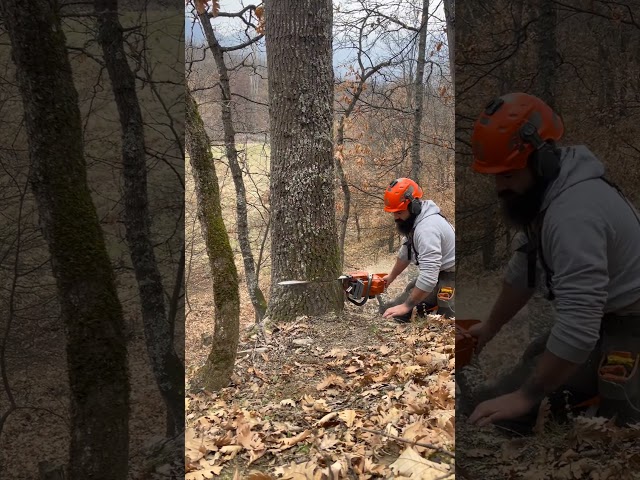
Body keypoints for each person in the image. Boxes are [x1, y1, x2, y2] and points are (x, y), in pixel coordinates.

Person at [464, 92, 640, 433]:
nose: (500, 188)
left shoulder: (574, 214)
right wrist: (490, 328)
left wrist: (526, 397)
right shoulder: (547, 196)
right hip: (605, 317)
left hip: (633, 319)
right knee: (525, 373)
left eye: (509, 175)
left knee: (620, 410)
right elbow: (523, 272)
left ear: (541, 160)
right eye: (496, 177)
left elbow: (579, 322)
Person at [379, 178, 456, 323]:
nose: (396, 218)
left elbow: (428, 277)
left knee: (443, 316)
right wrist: (391, 277)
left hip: (451, 276)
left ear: (413, 206)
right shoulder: (415, 222)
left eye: (399, 212)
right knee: (389, 309)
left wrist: (406, 307)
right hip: (439, 274)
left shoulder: (427, 229)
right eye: (394, 213)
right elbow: (405, 254)